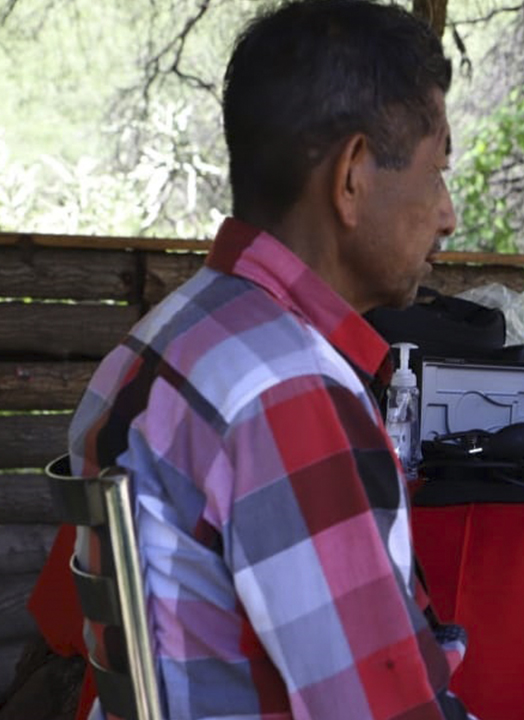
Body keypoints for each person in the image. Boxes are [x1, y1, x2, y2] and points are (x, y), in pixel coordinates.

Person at [65, 1, 469, 717]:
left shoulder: (162, 337)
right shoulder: (287, 396)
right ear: (352, 177)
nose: (448, 213)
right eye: (438, 172)